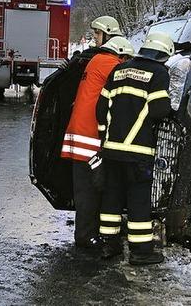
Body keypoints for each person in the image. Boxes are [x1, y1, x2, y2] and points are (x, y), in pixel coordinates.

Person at [94, 32, 174, 265]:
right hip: (138, 151)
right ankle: (141, 252)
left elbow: (101, 109)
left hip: (111, 150)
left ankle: (109, 245)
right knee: (138, 199)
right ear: (163, 55)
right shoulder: (158, 73)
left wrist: (104, 137)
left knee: (112, 197)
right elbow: (159, 109)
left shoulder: (119, 70)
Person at [61, 34, 135, 249]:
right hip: (90, 136)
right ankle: (85, 236)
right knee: (91, 188)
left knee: (86, 187)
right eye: (126, 59)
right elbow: (129, 79)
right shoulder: (109, 63)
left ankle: (87, 231)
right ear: (120, 54)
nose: (125, 63)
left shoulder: (95, 61)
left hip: (79, 133)